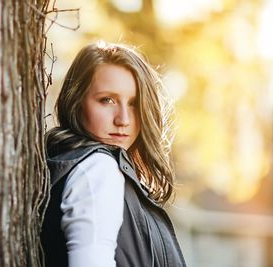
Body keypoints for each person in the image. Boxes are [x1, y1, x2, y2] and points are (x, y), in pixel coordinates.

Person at [41, 41, 186, 267]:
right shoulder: (99, 169)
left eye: (134, 103)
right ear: (76, 102)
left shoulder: (74, 163)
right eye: (107, 100)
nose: (123, 120)